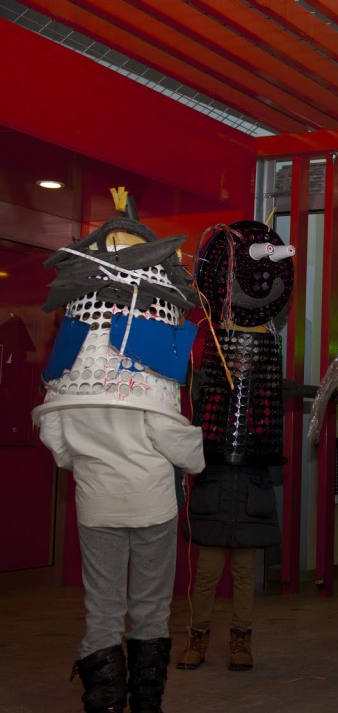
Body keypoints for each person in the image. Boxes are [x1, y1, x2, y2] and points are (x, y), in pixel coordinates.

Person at [33, 215, 205, 713]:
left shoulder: (69, 384)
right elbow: (179, 449)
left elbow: (57, 443)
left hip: (95, 507)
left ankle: (104, 703)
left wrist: (84, 461)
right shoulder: (149, 383)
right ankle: (146, 703)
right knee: (150, 609)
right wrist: (195, 455)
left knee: (102, 611)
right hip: (152, 507)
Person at [176, 221, 294, 674]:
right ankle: (197, 639)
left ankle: (241, 642)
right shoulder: (210, 354)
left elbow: (281, 394)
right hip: (215, 474)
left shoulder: (267, 356)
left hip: (251, 480)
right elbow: (195, 396)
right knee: (207, 572)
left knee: (244, 571)